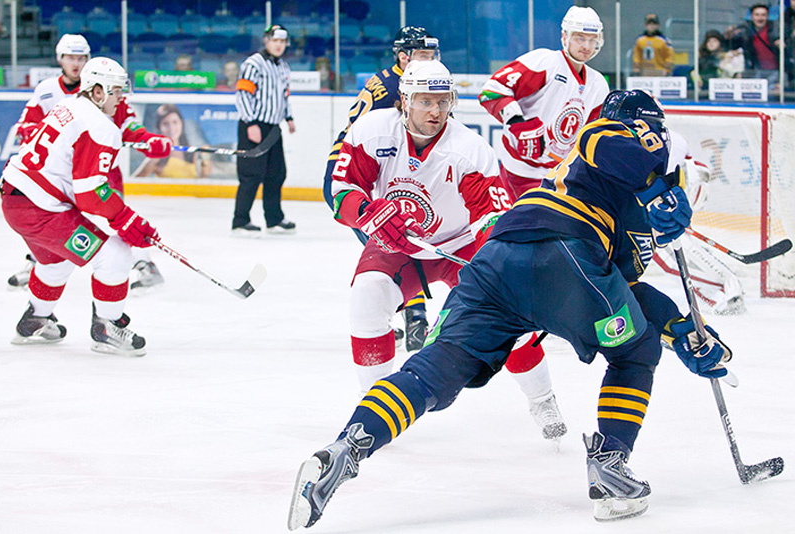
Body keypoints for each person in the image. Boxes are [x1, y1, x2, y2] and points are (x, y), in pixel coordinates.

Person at [287, 90, 732, 529]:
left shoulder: (610, 192)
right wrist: (658, 187)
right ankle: (611, 468)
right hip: (564, 253)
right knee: (636, 353)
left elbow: (627, 291)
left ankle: (345, 449)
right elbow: (602, 139)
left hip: (497, 261)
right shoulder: (617, 140)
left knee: (434, 371)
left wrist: (684, 330)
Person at [328, 59, 511, 399]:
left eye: (443, 102)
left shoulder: (470, 149)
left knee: (509, 314)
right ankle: (374, 404)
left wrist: (496, 265)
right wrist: (368, 214)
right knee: (366, 296)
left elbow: (491, 216)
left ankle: (543, 399)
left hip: (460, 245)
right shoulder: (373, 130)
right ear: (405, 100)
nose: (436, 110)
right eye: (426, 101)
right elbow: (342, 190)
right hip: (397, 242)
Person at [478, 5, 609, 441]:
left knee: (556, 251)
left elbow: (590, 135)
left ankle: (548, 318)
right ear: (565, 35)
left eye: (593, 39)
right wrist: (520, 120)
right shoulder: (543, 62)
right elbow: (491, 90)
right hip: (515, 175)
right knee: (514, 254)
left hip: (556, 179)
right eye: (580, 38)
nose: (586, 46)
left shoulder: (599, 84)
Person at [0, 57, 161, 357]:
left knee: (56, 261)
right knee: (115, 254)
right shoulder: (100, 125)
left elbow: (79, 187)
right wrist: (125, 219)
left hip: (15, 200)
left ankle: (35, 319)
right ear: (97, 91)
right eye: (115, 91)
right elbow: (90, 195)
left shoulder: (69, 106)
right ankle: (106, 328)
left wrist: (117, 217)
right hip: (40, 208)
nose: (121, 98)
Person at [7, 34, 172, 292]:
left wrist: (147, 140)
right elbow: (25, 124)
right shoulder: (47, 90)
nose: (77, 63)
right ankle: (38, 264)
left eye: (82, 57)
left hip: (99, 167)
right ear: (60, 58)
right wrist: (35, 133)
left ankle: (143, 263)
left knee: (114, 215)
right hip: (61, 173)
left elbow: (127, 124)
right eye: (71, 57)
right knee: (52, 217)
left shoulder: (105, 86)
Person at [323, 25, 440, 353]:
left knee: (394, 241)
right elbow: (375, 146)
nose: (431, 60)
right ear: (404, 57)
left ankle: (400, 313)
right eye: (424, 55)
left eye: (433, 54)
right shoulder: (394, 88)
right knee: (394, 242)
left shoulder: (401, 81)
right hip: (352, 175)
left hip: (360, 169)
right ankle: (413, 317)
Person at [652, 131, 745, 315]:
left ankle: (724, 290)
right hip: (653, 203)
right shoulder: (671, 141)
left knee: (670, 246)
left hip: (662, 203)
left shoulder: (675, 143)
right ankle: (724, 289)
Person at [232, 24, 297, 236]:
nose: (279, 45)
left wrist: (288, 117)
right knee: (251, 174)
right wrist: (250, 123)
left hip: (273, 127)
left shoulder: (283, 67)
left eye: (282, 41)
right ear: (266, 41)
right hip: (254, 125)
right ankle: (240, 221)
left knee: (276, 174)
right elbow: (243, 94)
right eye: (275, 41)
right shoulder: (253, 63)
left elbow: (283, 95)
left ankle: (274, 219)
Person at [133, 104, 211, 178]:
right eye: (165, 124)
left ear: (181, 123)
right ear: (159, 127)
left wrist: (205, 166)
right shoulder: (156, 156)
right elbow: (133, 182)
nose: (171, 128)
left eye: (175, 122)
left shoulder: (192, 152)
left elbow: (199, 184)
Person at [726, 3, 780, 84]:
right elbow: (732, 46)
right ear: (752, 17)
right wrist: (729, 37)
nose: (760, 18)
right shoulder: (745, 30)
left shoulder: (776, 30)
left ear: (767, 17)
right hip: (755, 71)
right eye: (757, 15)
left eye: (763, 15)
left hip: (776, 72)